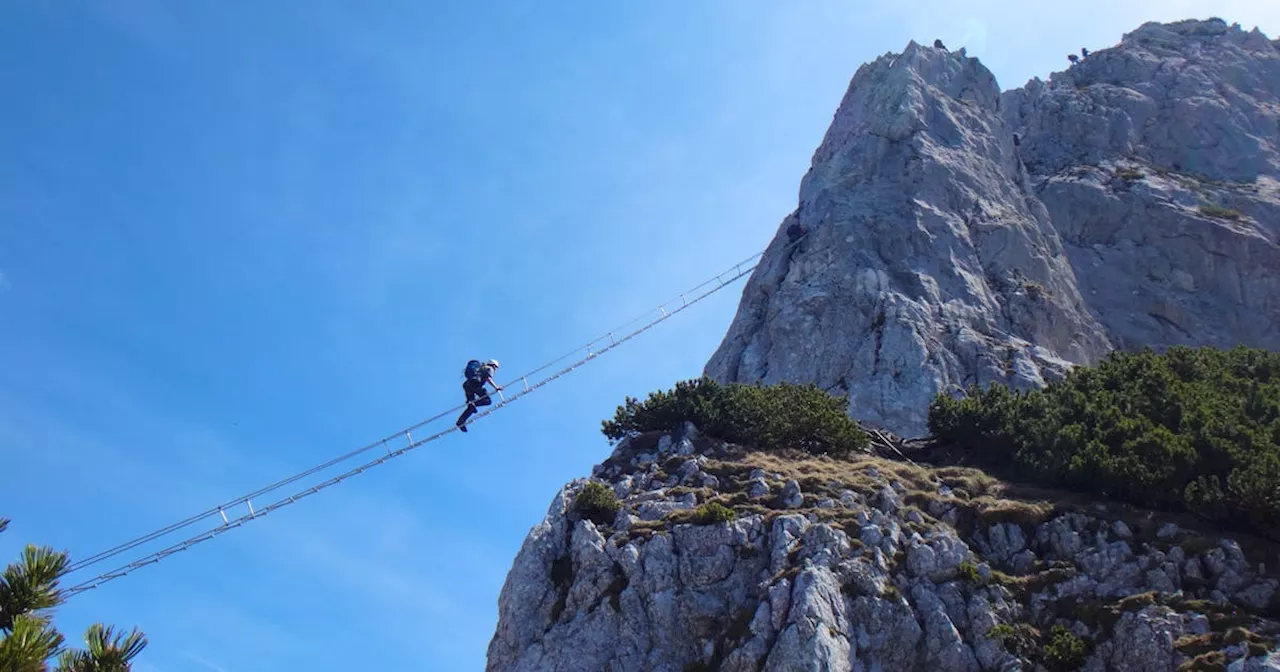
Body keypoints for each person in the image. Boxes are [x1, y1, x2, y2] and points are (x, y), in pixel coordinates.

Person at [456, 359, 502, 432]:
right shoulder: (489, 368)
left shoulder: (480, 368)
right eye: (496, 367)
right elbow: (488, 378)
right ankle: (472, 404)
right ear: (493, 365)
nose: (496, 369)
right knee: (487, 401)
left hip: (467, 385)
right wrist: (496, 387)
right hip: (476, 385)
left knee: (471, 406)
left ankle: (461, 421)